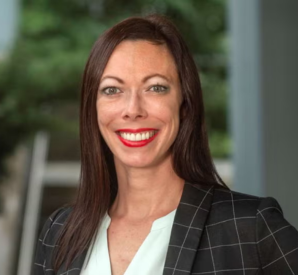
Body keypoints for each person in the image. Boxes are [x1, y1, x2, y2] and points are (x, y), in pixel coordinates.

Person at [33, 14, 298, 275]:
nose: (132, 109)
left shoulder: (250, 228)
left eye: (156, 87)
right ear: (94, 108)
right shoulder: (60, 232)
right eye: (112, 90)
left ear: (185, 103)